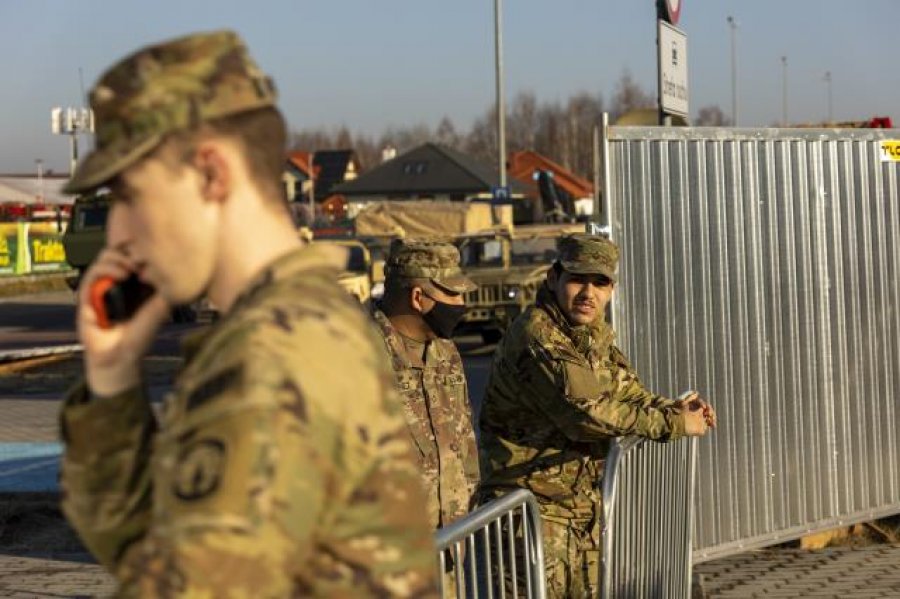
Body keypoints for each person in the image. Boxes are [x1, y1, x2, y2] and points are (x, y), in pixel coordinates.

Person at [58, 30, 437, 596]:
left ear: (212, 173)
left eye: (131, 195)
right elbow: (153, 549)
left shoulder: (272, 354)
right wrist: (112, 373)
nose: (119, 232)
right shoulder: (300, 323)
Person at [477, 233, 716, 598]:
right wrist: (674, 424)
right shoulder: (539, 334)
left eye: (600, 282)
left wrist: (671, 407)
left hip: (576, 514)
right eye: (578, 279)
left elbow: (624, 391)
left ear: (611, 290)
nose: (589, 292)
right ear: (554, 279)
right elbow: (585, 413)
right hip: (532, 516)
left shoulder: (591, 334)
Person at [371, 239, 480, 531]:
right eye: (452, 295)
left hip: (449, 540)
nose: (461, 304)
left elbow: (464, 441)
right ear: (418, 297)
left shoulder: (445, 351)